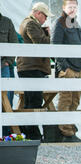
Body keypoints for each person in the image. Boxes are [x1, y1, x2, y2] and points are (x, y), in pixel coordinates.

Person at [17, 2, 54, 141]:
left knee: (32, 100)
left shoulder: (29, 23)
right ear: (38, 13)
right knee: (33, 102)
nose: (45, 19)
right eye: (45, 16)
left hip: (30, 67)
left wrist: (43, 32)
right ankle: (33, 134)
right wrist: (48, 34)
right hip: (31, 68)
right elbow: (40, 43)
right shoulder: (31, 24)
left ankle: (31, 133)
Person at [51, 0, 81, 143]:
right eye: (70, 7)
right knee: (66, 100)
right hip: (68, 69)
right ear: (64, 8)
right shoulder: (59, 23)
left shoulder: (75, 23)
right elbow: (55, 46)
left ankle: (70, 130)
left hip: (79, 69)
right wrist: (64, 67)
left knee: (75, 101)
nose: (72, 10)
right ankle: (65, 133)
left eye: (74, 7)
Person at [0, 11, 18, 137]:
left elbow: (14, 43)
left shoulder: (7, 22)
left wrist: (8, 62)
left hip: (3, 66)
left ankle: (5, 136)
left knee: (6, 102)